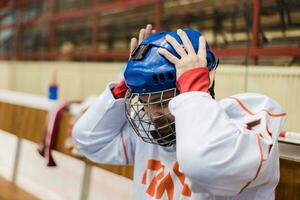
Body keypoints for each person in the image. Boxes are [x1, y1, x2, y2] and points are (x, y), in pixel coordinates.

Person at [73, 24, 286, 200]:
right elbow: (88, 140)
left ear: (203, 81)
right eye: (146, 101)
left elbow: (204, 164)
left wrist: (193, 87)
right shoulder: (149, 135)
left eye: (163, 102)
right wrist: (125, 86)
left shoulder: (243, 120)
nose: (153, 114)